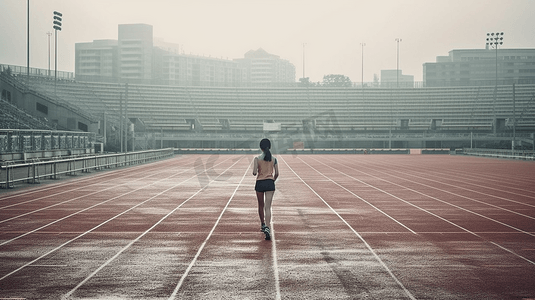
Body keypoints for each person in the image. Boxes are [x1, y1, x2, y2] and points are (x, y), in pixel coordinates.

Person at [252, 138, 279, 240]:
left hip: (260, 183)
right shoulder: (274, 159)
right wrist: (272, 180)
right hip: (270, 183)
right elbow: (277, 173)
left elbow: (254, 173)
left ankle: (262, 224)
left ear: (260, 147)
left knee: (261, 205)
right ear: (269, 147)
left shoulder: (257, 159)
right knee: (268, 207)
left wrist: (257, 169)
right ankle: (268, 226)